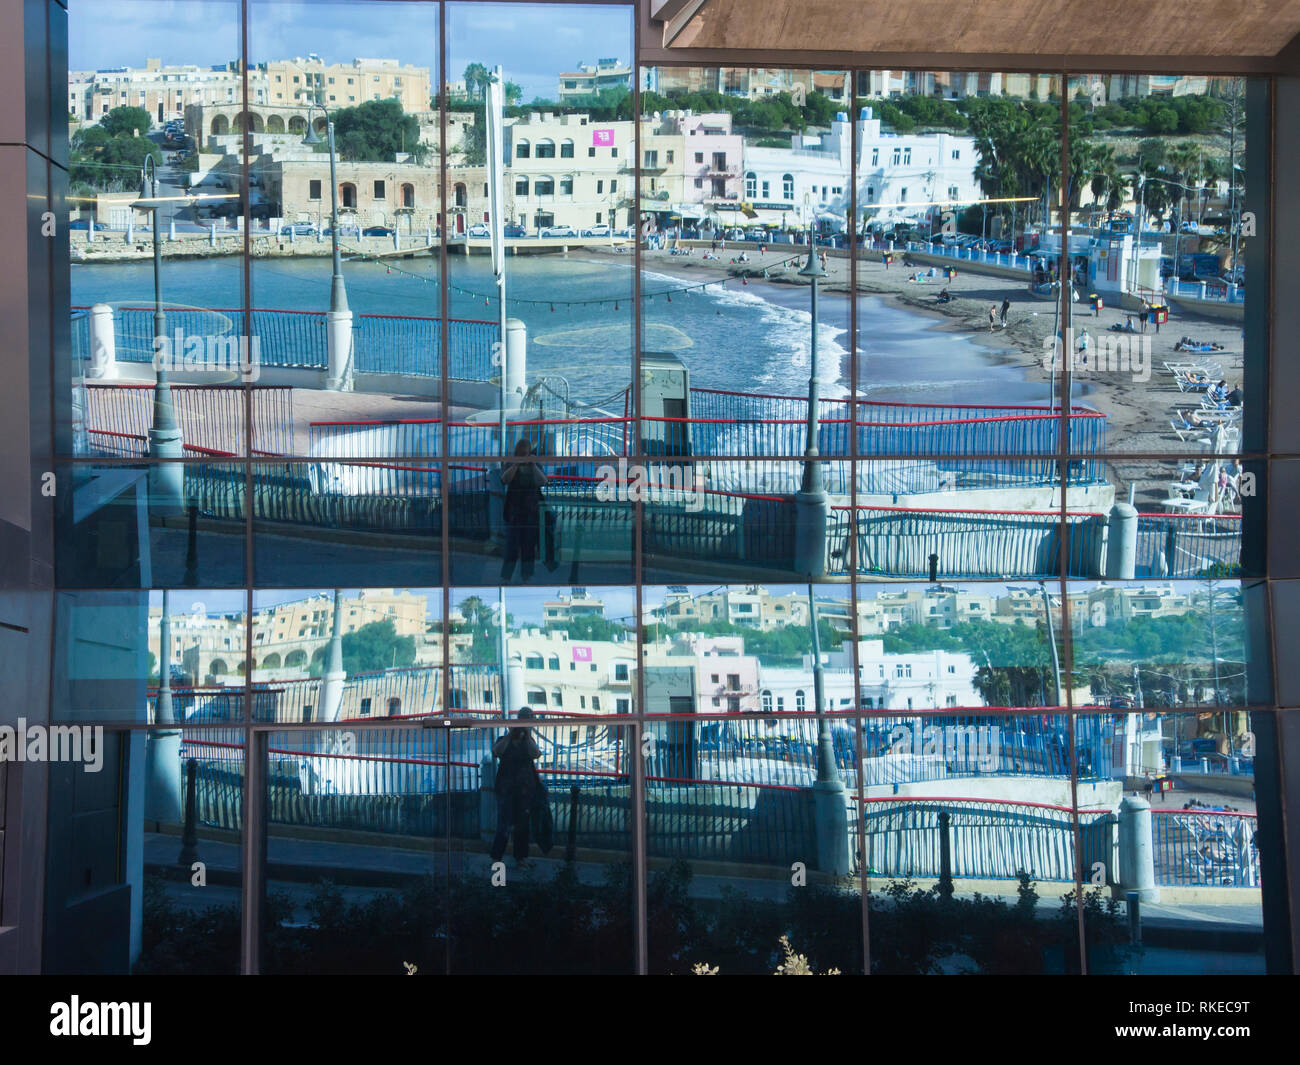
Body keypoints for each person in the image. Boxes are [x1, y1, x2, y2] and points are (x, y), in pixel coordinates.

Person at [489, 707, 543, 864]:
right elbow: (496, 752)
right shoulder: (503, 740)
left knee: (522, 825)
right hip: (506, 788)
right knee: (504, 824)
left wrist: (526, 736)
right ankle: (497, 858)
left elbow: (536, 754)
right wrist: (510, 735)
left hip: (524, 789)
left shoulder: (528, 741)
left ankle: (520, 859)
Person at [501, 439, 548, 582]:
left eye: (525, 453)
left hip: (531, 511)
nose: (524, 455)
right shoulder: (511, 463)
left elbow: (543, 481)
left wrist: (532, 464)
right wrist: (516, 464)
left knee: (529, 546)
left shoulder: (535, 464)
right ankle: (507, 577)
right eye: (521, 453)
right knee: (512, 547)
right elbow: (504, 479)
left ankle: (526, 576)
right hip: (515, 511)